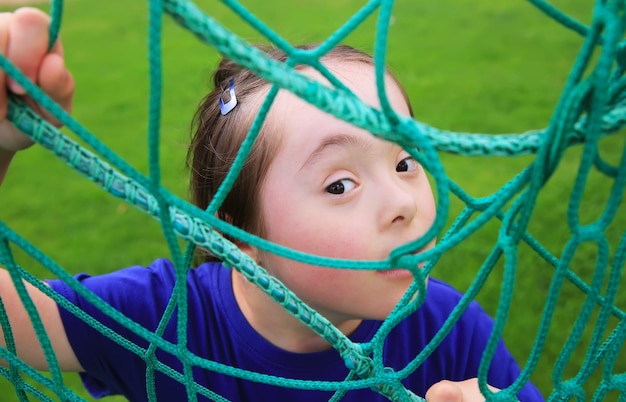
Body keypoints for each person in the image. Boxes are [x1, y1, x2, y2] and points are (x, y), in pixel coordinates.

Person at [0, 7, 544, 402]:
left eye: (405, 162)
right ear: (241, 238)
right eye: (339, 185)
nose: (403, 201)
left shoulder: (447, 328)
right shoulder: (166, 319)